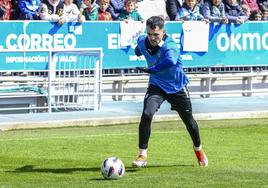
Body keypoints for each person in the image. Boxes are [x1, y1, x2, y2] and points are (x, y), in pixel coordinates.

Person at [132, 16, 208, 168]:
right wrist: (138, 51)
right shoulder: (142, 40)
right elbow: (139, 49)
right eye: (149, 34)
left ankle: (198, 149)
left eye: (156, 34)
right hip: (157, 85)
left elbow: (171, 61)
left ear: (163, 32)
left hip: (176, 87)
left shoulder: (170, 45)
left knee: (188, 120)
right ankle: (142, 155)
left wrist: (152, 69)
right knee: (147, 114)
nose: (152, 38)